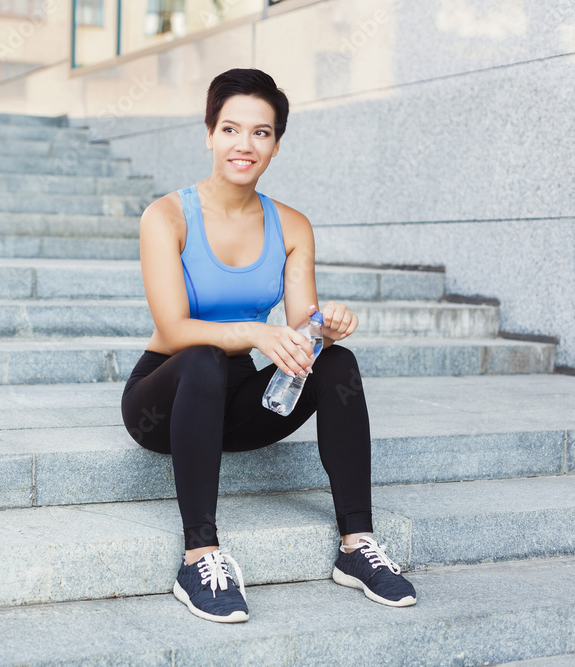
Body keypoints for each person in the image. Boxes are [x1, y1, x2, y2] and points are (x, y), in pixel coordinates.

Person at [119, 68, 417, 623]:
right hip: (163, 399)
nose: (244, 144)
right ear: (209, 133)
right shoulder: (166, 217)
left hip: (235, 405)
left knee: (339, 364)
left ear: (276, 145)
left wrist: (326, 326)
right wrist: (256, 332)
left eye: (261, 133)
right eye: (231, 129)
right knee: (205, 357)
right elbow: (175, 327)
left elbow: (302, 324)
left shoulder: (293, 225)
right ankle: (199, 557)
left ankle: (357, 546)